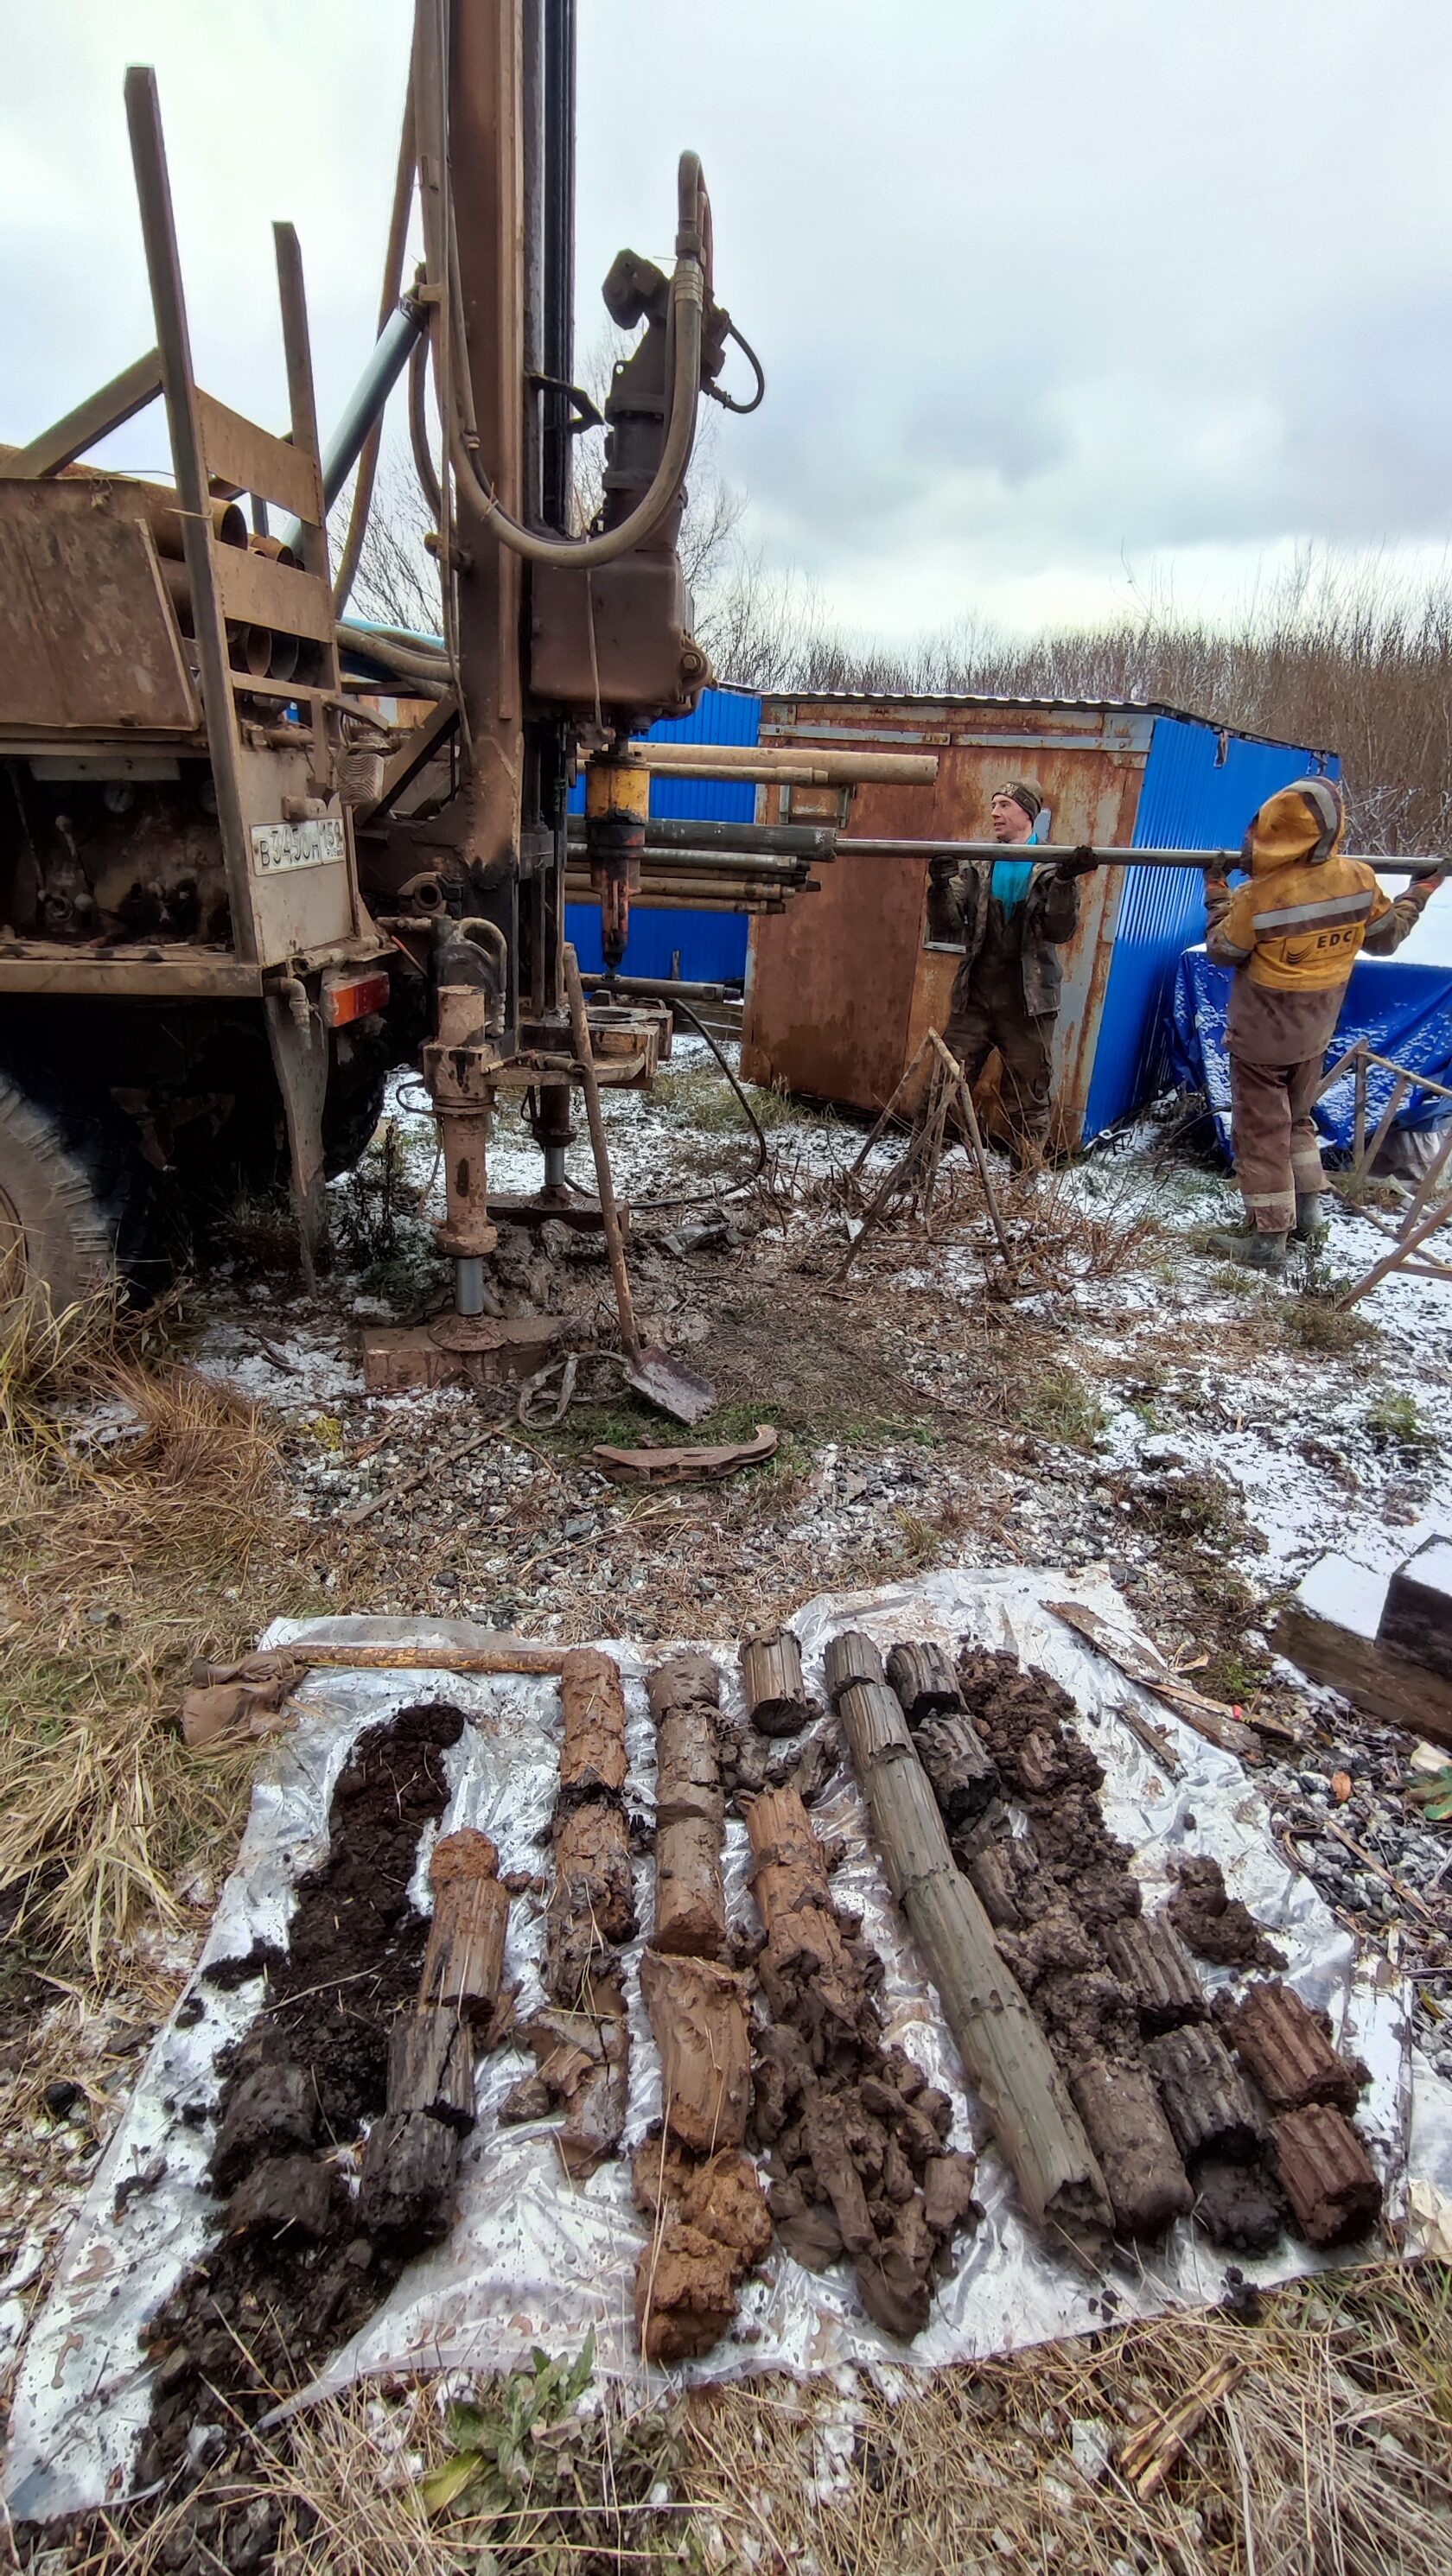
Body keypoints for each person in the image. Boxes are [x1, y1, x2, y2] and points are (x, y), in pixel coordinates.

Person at [1202, 774, 1442, 1271]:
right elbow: (1385, 939)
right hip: (1316, 1027)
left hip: (1263, 1034)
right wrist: (1420, 892)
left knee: (1261, 1130)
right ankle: (1309, 1216)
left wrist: (1217, 895)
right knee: (1297, 1119)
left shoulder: (1261, 895)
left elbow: (1224, 951)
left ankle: (1269, 1239)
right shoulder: (1358, 878)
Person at [934, 781, 1093, 1162]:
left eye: (1004, 804)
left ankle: (1024, 1184)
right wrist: (939, 885)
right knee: (943, 1089)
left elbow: (1059, 931)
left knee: (1028, 1098)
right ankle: (917, 1173)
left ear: (1028, 813)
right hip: (976, 997)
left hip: (1029, 1003)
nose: (994, 812)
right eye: (993, 804)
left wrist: (1064, 883)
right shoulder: (978, 862)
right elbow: (947, 924)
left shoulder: (1052, 866)